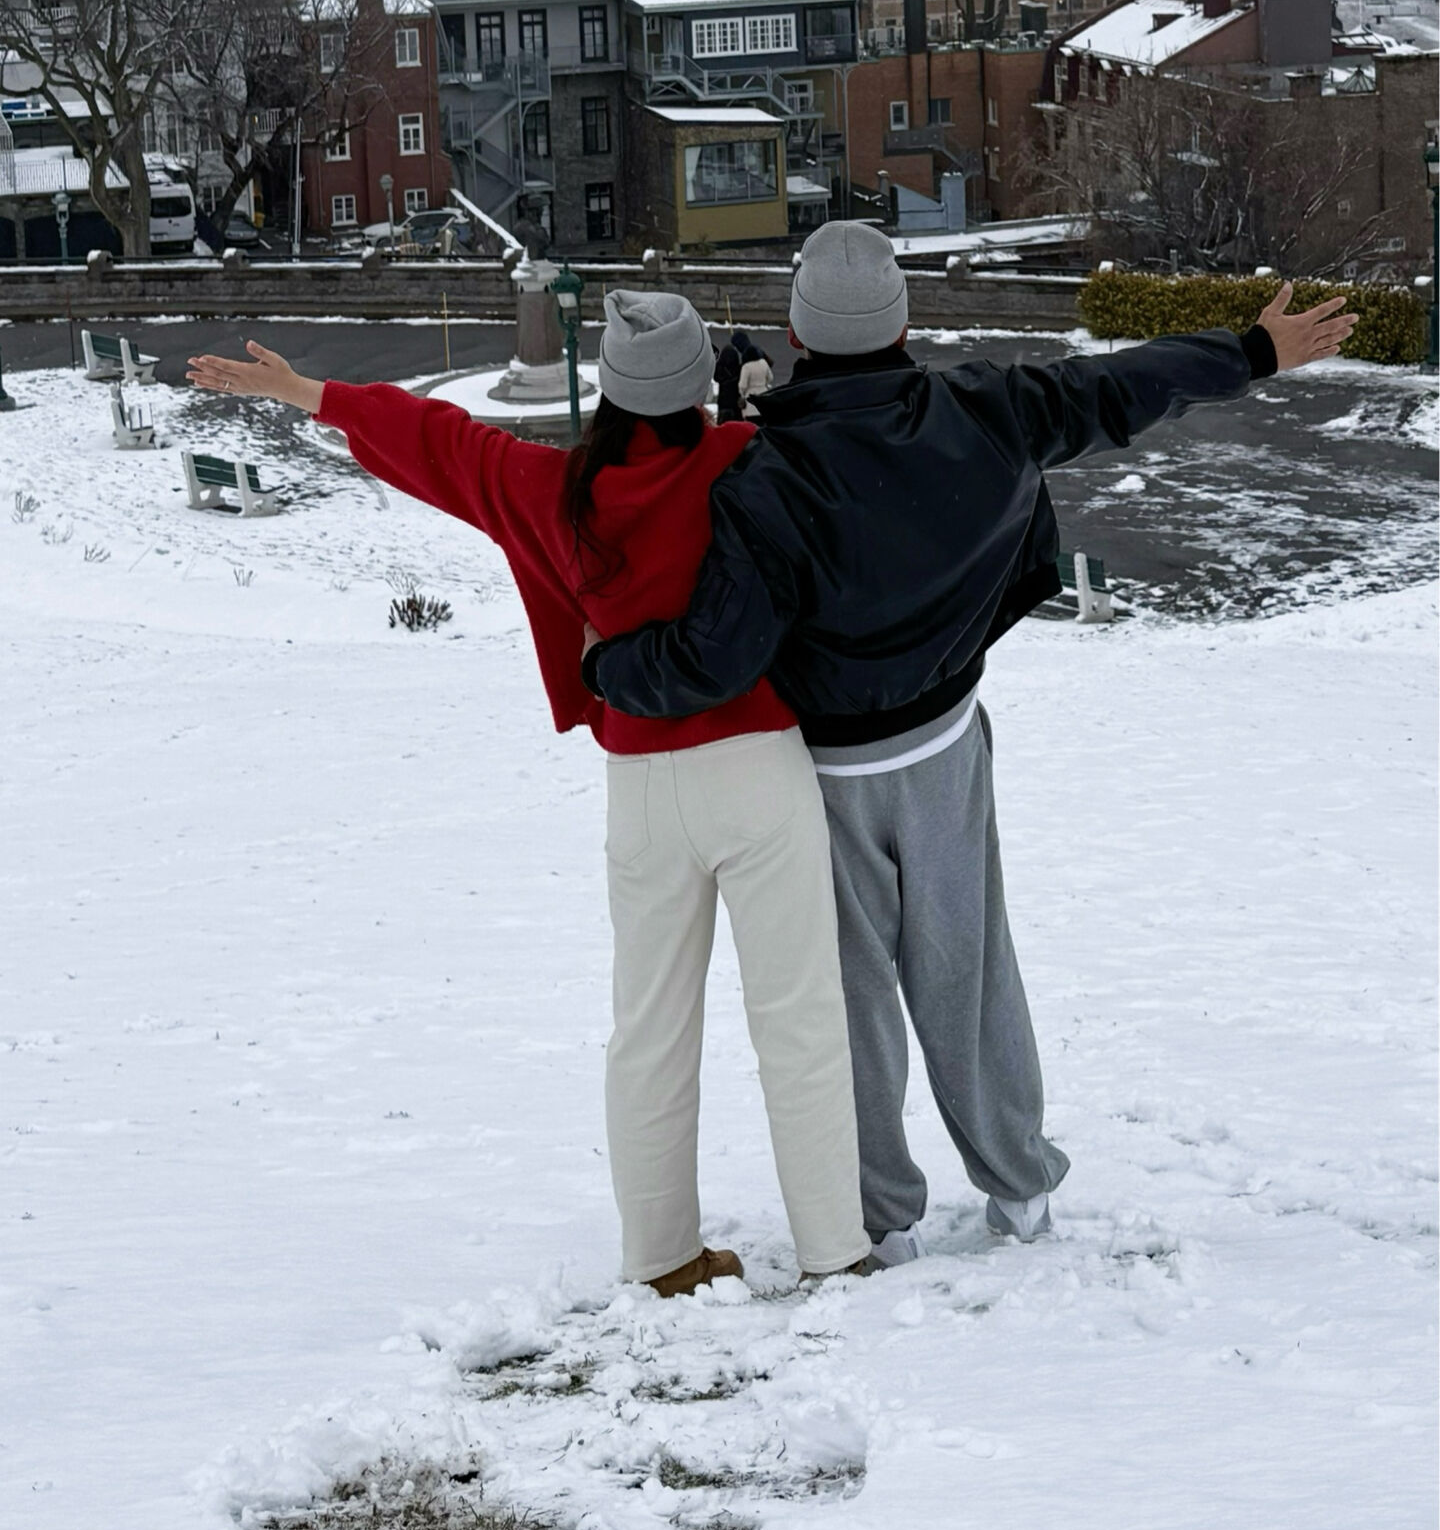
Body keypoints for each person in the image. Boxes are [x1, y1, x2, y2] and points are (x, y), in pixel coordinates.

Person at [584, 227, 1358, 1263]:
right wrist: (1251, 351)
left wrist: (607, 672)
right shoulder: (987, 408)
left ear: (797, 331)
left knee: (853, 1000)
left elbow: (714, 656)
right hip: (946, 745)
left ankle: (880, 1214)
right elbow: (1118, 386)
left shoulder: (765, 473)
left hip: (824, 776)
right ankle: (1020, 1186)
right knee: (971, 973)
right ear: (904, 324)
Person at [187, 290, 868, 1296]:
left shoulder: (554, 490)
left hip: (641, 787)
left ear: (606, 393)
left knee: (648, 1027)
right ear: (698, 391)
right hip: (757, 767)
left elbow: (442, 443)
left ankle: (663, 1258)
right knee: (798, 1017)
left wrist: (312, 392)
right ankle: (832, 1252)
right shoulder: (745, 465)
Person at [714, 327, 773, 426]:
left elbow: (742, 386)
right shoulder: (742, 367)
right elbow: (769, 372)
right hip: (755, 403)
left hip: (726, 407)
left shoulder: (721, 372)